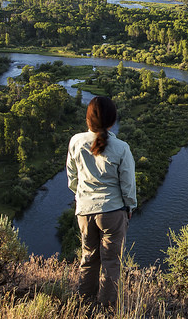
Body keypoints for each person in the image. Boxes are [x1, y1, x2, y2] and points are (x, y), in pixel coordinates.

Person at [66, 96, 137, 308]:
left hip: (85, 211)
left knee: (88, 259)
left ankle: (85, 305)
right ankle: (106, 308)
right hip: (113, 212)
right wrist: (130, 206)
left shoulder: (76, 142)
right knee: (111, 262)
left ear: (88, 120)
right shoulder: (121, 147)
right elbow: (128, 183)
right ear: (112, 121)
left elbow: (72, 179)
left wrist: (80, 197)